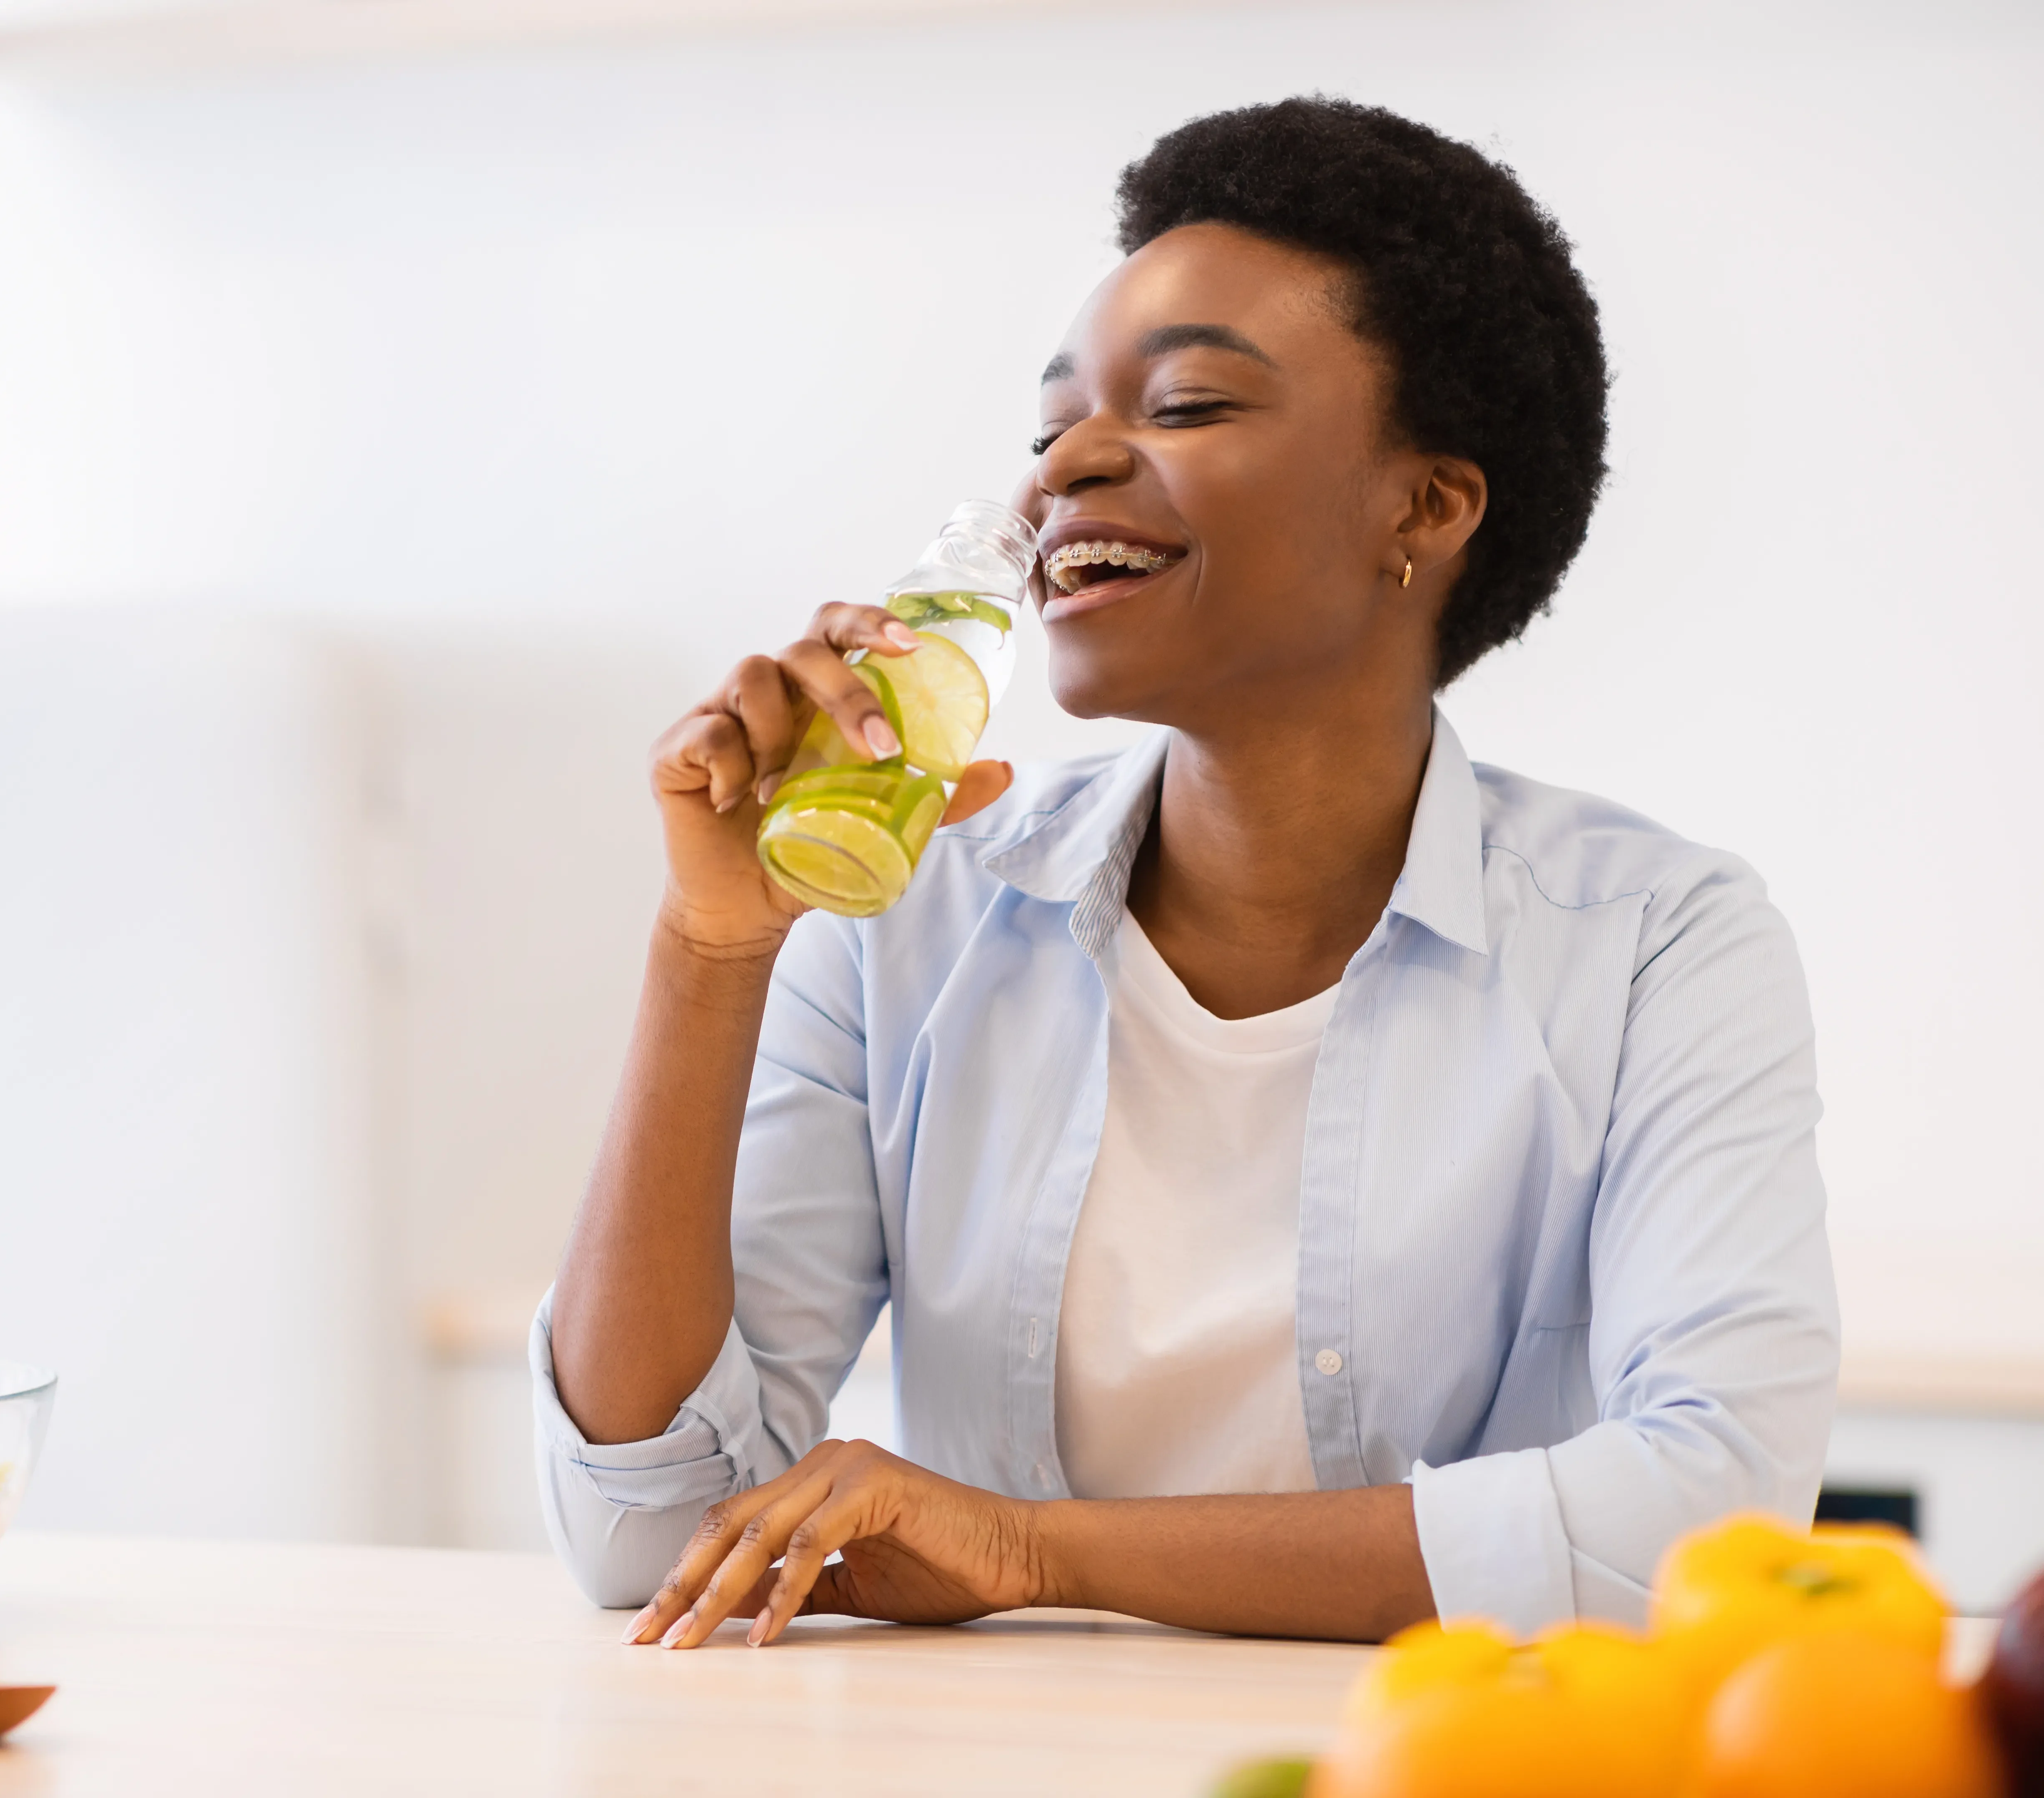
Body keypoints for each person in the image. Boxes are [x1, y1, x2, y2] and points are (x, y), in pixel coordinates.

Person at [532, 96, 1835, 1648]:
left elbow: (1710, 1515)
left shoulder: (1653, 946)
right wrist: (709, 946)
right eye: (1052, 424)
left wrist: (1034, 1552)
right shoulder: (912, 911)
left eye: (1189, 406)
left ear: (1423, 506)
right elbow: (650, 1532)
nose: (1072, 461)